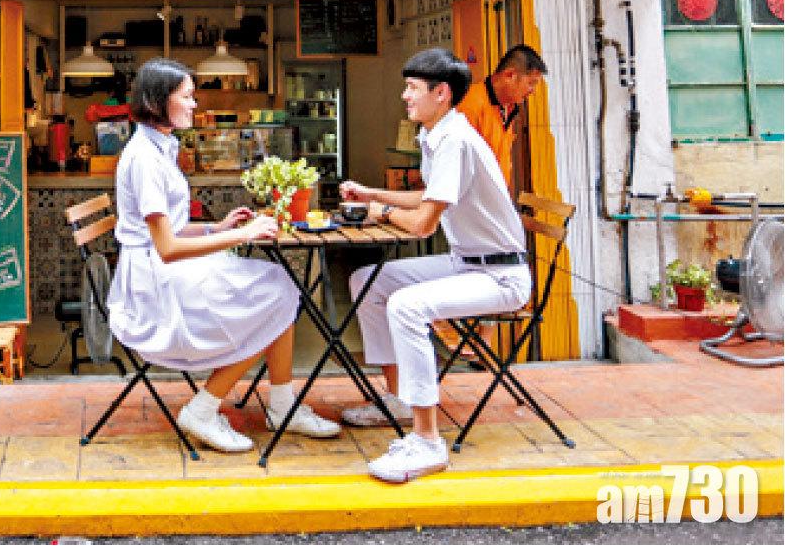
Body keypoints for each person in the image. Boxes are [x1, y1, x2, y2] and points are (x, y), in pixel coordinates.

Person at [106, 57, 340, 453]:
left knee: (281, 286)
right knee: (272, 297)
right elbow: (166, 247)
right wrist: (242, 236)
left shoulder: (157, 148)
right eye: (188, 97)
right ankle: (205, 408)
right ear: (160, 100)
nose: (195, 105)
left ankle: (281, 404)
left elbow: (171, 230)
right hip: (156, 286)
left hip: (164, 269)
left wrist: (219, 227)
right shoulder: (144, 159)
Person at [337, 48, 532, 483]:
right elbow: (431, 197)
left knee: (406, 306)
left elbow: (424, 222)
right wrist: (373, 194)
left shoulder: (455, 140)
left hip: (499, 275)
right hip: (467, 263)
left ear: (441, 93)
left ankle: (427, 442)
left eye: (412, 88)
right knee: (368, 280)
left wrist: (379, 214)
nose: (404, 96)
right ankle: (397, 399)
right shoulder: (438, 135)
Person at [456, 43, 547, 188]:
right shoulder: (470, 106)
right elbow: (458, 168)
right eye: (531, 83)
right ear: (509, 75)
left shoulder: (509, 107)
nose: (533, 91)